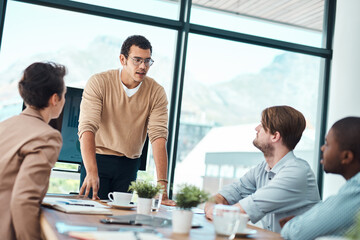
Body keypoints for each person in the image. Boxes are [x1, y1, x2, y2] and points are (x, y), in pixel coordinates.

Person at [78, 35, 174, 205]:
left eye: (147, 61)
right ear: (123, 59)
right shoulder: (99, 82)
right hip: (97, 160)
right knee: (91, 215)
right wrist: (91, 171)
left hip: (129, 165)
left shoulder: (156, 92)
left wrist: (162, 187)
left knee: (120, 220)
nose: (143, 66)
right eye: (137, 60)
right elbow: (87, 127)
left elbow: (158, 137)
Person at [204, 105, 320, 233]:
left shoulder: (297, 172)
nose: (256, 128)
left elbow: (238, 213)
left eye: (262, 125)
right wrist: (212, 205)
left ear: (275, 136)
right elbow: (227, 194)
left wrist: (213, 209)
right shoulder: (261, 170)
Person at [0, 62, 67, 240]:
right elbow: (24, 200)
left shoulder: (4, 126)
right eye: (64, 95)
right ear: (55, 99)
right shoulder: (47, 137)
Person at [280, 117, 360, 240]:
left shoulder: (357, 189)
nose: (322, 148)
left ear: (346, 156)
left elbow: (297, 232)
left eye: (327, 144)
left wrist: (296, 223)